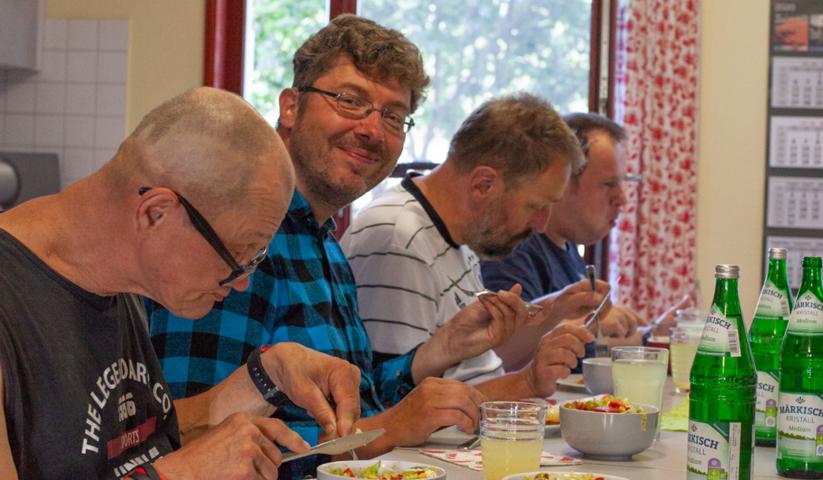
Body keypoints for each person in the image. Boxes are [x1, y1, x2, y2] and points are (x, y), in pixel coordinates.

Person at [148, 16, 540, 478]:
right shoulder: (235, 231)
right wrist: (388, 429)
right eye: (350, 101)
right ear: (291, 107)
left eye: (393, 115)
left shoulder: (324, 242)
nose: (373, 130)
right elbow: (190, 440)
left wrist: (440, 351)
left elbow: (355, 402)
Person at [0, 87, 362, 480]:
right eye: (237, 257)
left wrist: (265, 378)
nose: (242, 283)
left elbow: (125, 443)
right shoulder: (14, 299)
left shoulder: (122, 273)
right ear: (156, 214)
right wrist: (178, 475)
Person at [340, 93, 608, 401]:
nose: (541, 224)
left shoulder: (457, 239)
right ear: (483, 184)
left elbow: (472, 373)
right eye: (535, 206)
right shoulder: (398, 238)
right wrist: (526, 383)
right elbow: (392, 406)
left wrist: (538, 355)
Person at [481, 112, 683, 360]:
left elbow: (593, 348)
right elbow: (503, 353)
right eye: (608, 184)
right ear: (563, 181)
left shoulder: (568, 252)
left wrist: (652, 335)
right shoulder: (514, 247)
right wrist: (590, 324)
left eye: (624, 182)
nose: (622, 198)